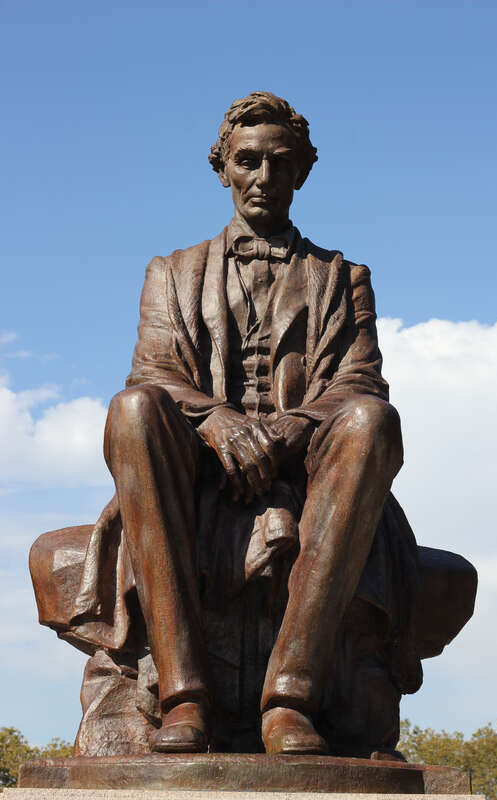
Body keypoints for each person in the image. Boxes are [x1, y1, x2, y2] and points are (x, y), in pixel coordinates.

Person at [75, 91, 418, 755]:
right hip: (195, 466)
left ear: (301, 172)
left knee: (372, 420)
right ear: (224, 168)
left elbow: (358, 378)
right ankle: (183, 697)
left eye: (279, 164)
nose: (263, 177)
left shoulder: (344, 278)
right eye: (248, 162)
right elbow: (154, 373)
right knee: (134, 409)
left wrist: (289, 431)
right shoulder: (170, 272)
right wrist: (220, 423)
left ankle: (292, 697)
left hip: (305, 470)